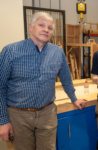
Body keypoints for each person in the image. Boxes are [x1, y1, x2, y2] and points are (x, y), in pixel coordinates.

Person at [0, 12, 86, 150]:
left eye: (50, 28)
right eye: (41, 25)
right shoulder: (10, 51)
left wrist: (74, 98)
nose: (46, 30)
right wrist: (3, 121)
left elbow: (66, 78)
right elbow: (1, 87)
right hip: (18, 116)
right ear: (30, 27)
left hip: (47, 113)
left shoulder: (57, 52)